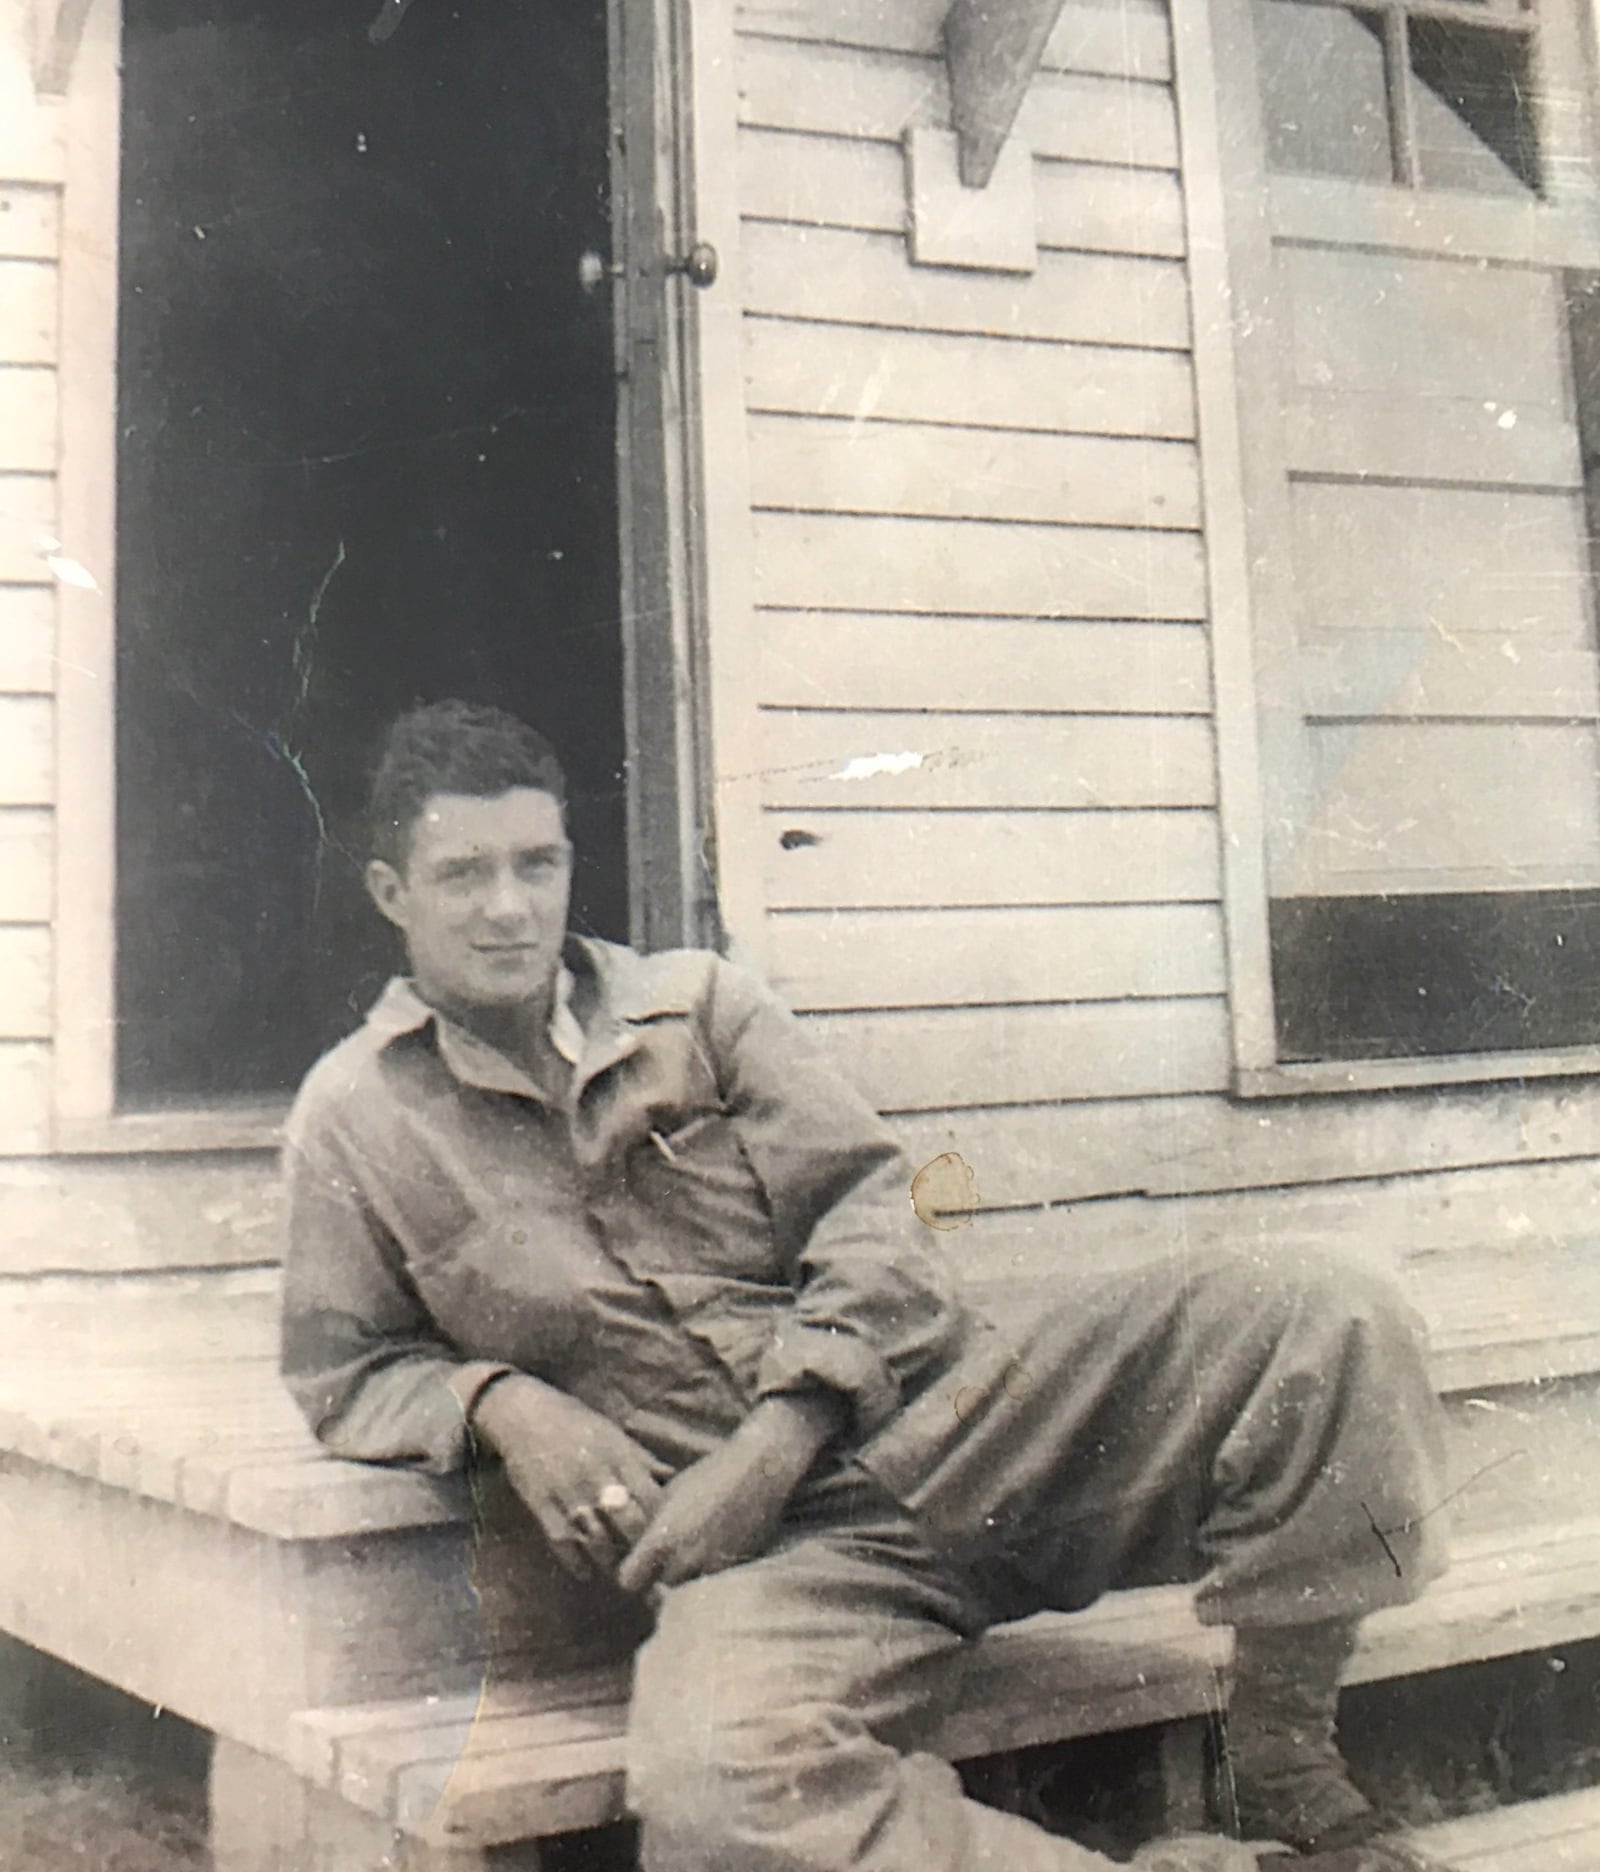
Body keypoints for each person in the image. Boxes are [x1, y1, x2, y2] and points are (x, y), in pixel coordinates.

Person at [281, 700, 1450, 1872]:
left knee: (1324, 1303)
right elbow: (347, 1367)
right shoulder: (356, 1118)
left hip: (965, 1432)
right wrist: (499, 1402)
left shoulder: (699, 1009)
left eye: (538, 864)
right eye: (463, 874)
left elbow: (877, 1217)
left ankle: (1283, 1756)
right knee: (724, 1802)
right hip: (774, 1565)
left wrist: (781, 1435)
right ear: (393, 892)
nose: (508, 907)